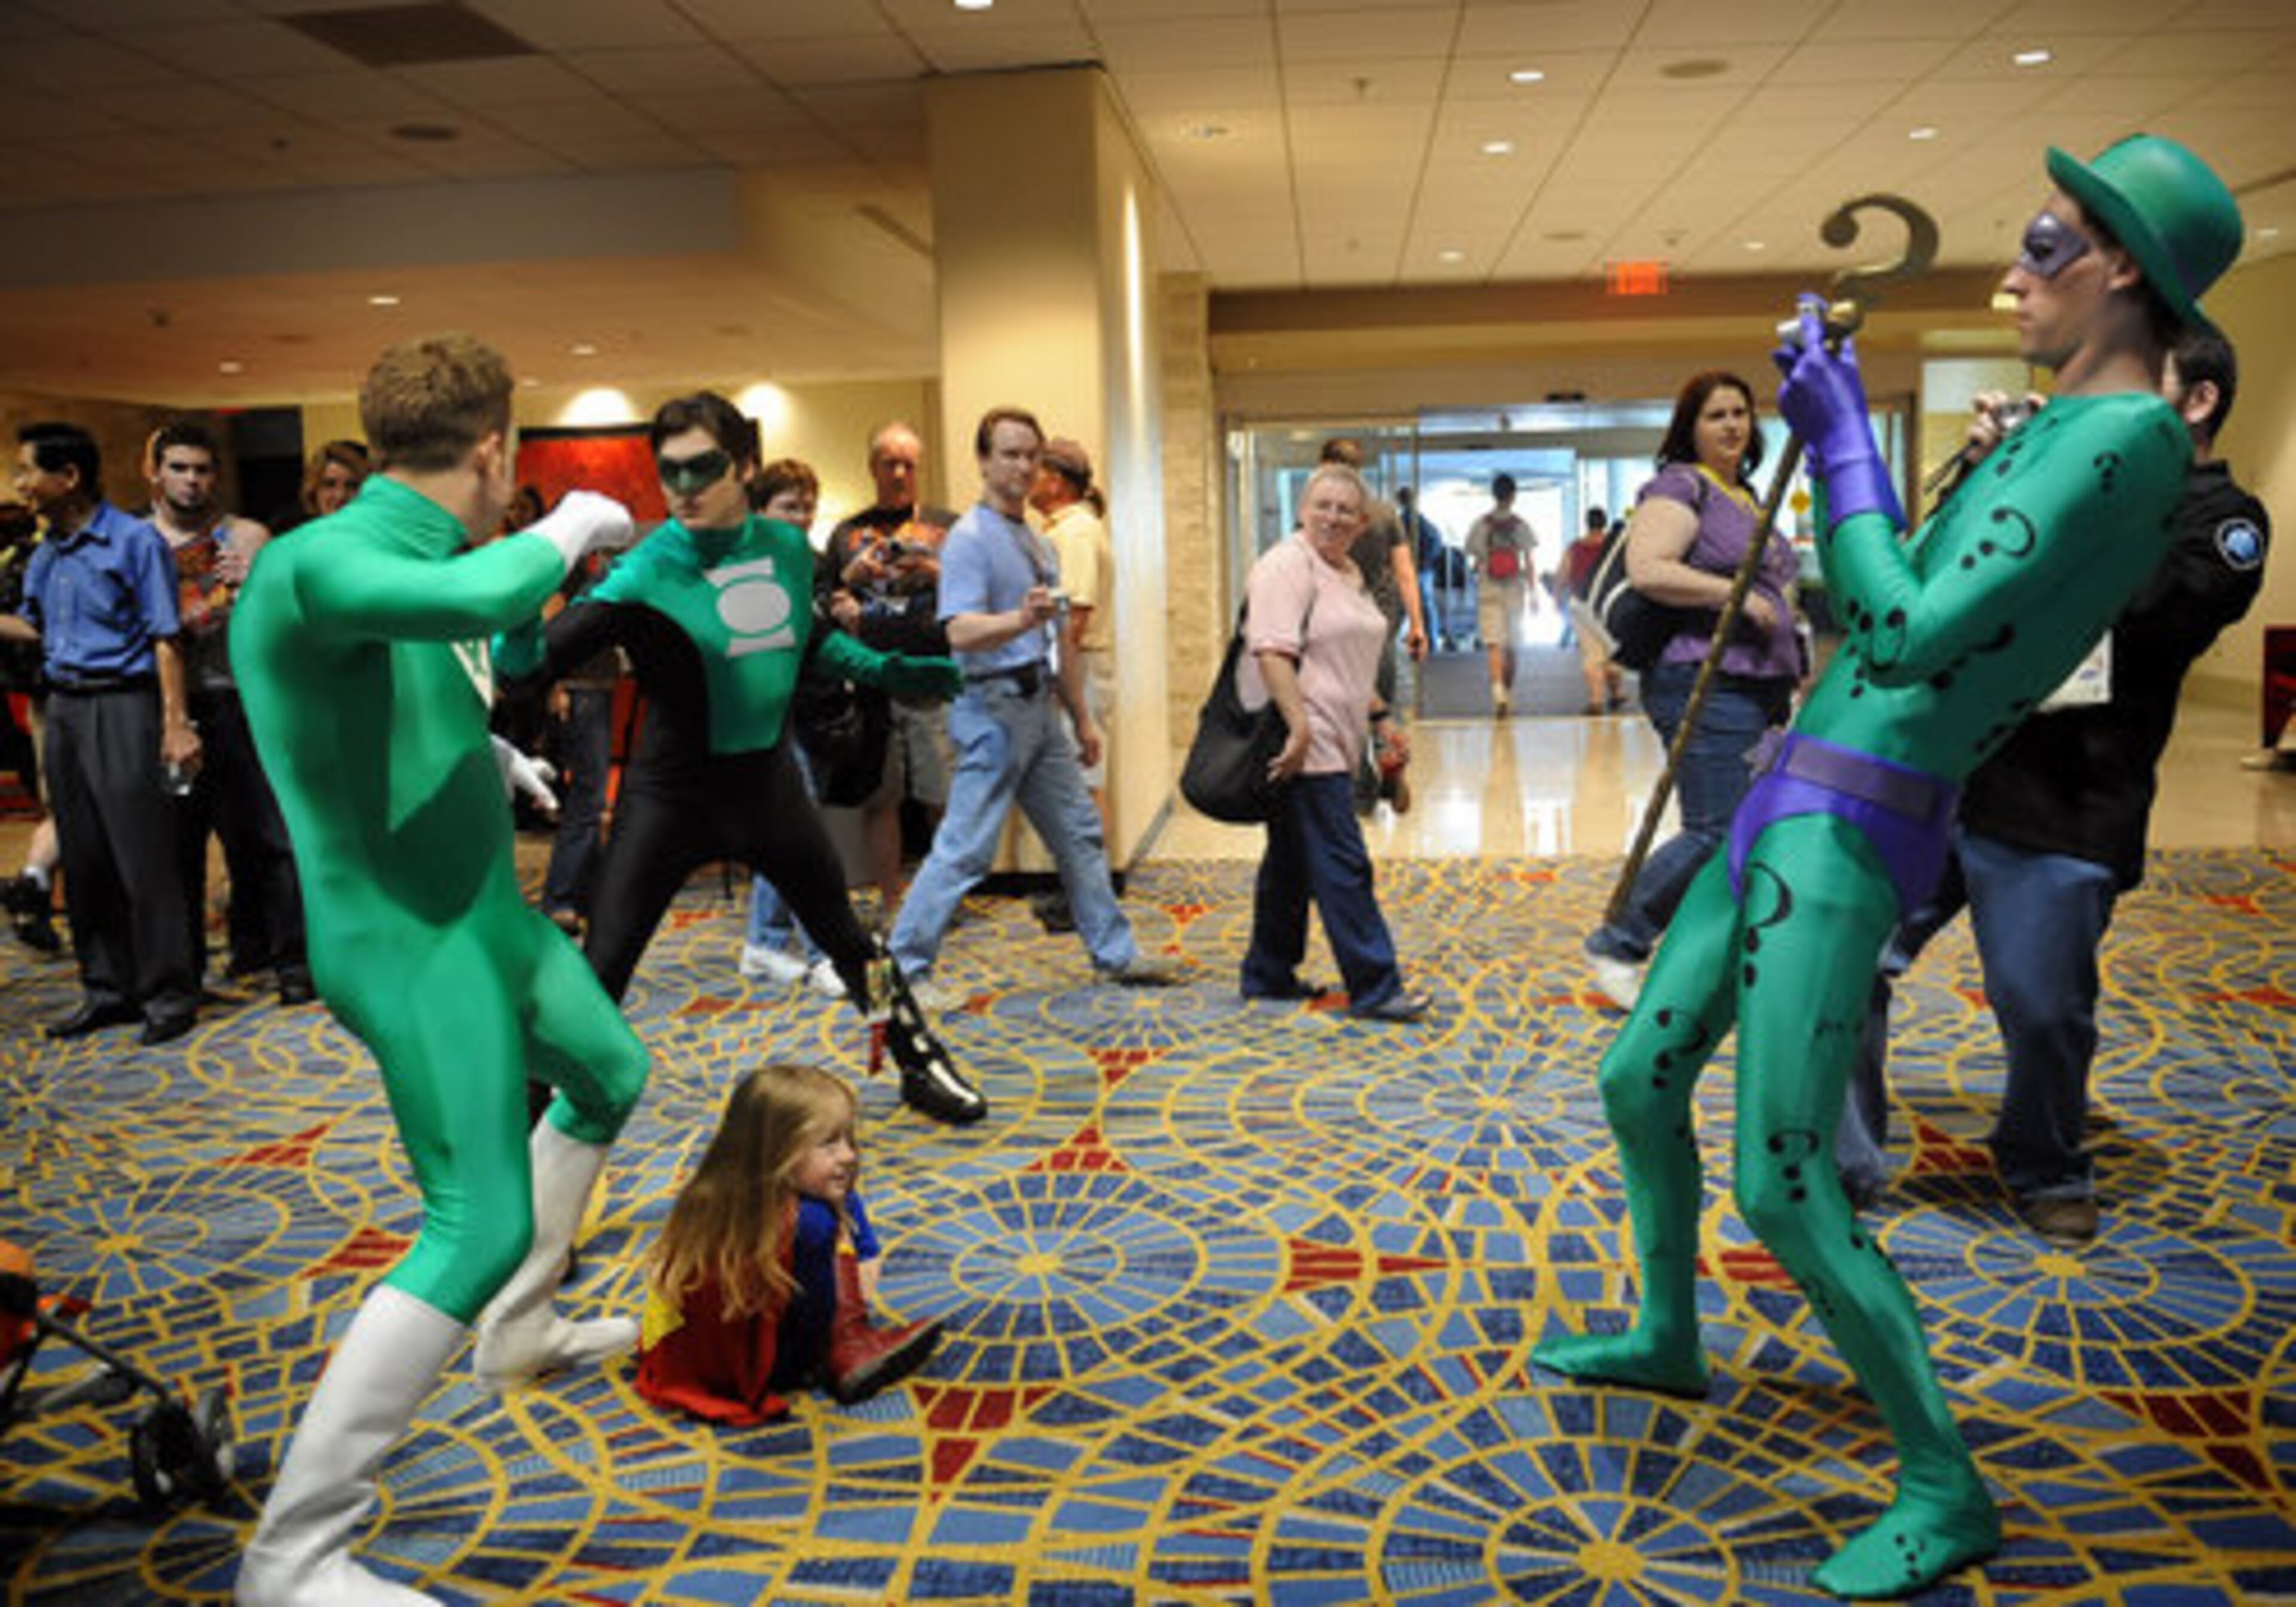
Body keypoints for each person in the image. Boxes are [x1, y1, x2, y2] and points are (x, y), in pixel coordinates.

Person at [1533, 135, 2240, 1600]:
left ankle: (1944, 1480)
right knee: (1632, 1080)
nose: (2012, 273)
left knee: (1781, 1180)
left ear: (2120, 268)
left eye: (2043, 247)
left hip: (1854, 821)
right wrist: (1875, 469)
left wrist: (1844, 434)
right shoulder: (2054, 430)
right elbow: (1878, 603)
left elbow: (1906, 629)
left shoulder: (2130, 443)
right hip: (1791, 790)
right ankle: (1669, 1337)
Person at [228, 333, 649, 1603]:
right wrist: (572, 520)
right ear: (493, 453)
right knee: (475, 1221)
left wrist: (492, 762)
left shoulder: (409, 554)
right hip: (404, 936)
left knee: (610, 1069)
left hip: (478, 906)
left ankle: (518, 1328)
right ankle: (292, 1558)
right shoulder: (319, 561)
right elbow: (470, 608)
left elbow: (419, 681)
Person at [1840, 325, 2268, 1239]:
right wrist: (2000, 479)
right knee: (1844, 955)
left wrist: (2060, 496)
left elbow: (2145, 619)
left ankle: (2044, 1161)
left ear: (2195, 403)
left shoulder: (2222, 520)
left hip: (2067, 798)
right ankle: (1843, 1163)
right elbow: (1937, 583)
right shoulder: (2056, 484)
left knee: (2040, 1008)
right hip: (1947, 769)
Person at [494, 395, 986, 1128]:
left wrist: (889, 671)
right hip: (669, 799)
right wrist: (519, 608)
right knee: (603, 967)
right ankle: (529, 1110)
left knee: (851, 942)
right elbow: (527, 668)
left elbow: (812, 643)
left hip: (765, 787)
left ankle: (917, 1057)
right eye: (670, 473)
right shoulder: (646, 571)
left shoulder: (788, 550)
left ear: (744, 467)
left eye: (705, 467)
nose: (685, 487)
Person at [886, 406, 1176, 1003]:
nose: (1022, 466)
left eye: (1030, 456)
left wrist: (1082, 716)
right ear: (984, 462)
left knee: (1079, 834)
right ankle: (906, 970)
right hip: (990, 709)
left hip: (1037, 707)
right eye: (1010, 454)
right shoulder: (969, 539)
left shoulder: (1039, 541)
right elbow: (959, 632)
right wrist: (1020, 618)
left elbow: (1057, 640)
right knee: (966, 848)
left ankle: (1115, 953)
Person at [1580, 372, 1803, 1010]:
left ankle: (1720, 955)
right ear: (1691, 429)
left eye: (1740, 412)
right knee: (1718, 826)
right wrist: (1737, 598)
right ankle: (1619, 940)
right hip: (1704, 680)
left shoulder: (1746, 494)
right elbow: (1650, 570)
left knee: (1756, 828)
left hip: (1759, 687)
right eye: (1715, 416)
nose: (1732, 425)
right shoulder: (1681, 486)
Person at [1, 422, 201, 1044]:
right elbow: (39, 629)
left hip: (125, 706)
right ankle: (107, 989)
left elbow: (165, 636)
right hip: (63, 709)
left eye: (27, 470)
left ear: (69, 477)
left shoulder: (133, 542)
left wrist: (175, 723)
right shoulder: (46, 553)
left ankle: (169, 994)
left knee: (143, 860)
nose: (19, 484)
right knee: (83, 860)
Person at [635, 1062, 942, 1426]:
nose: (849, 1155)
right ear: (777, 1153)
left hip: (678, 1351)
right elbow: (831, 1297)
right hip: (760, 1366)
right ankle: (848, 1345)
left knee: (836, 1204)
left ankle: (849, 1340)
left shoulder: (719, 1191)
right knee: (821, 1221)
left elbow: (867, 1252)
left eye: (848, 1138)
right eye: (829, 1143)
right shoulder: (802, 1221)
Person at [1238, 462, 1428, 1022]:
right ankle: (1375, 985)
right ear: (1302, 509)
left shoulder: (1344, 572)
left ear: (1363, 523)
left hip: (1335, 738)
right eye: (1323, 505)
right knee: (1344, 862)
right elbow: (1271, 650)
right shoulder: (1286, 566)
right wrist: (1299, 727)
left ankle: (1268, 973)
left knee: (1292, 864)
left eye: (1346, 510)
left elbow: (1344, 658)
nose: (1333, 517)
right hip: (1308, 741)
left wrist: (1379, 719)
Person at [145, 421, 312, 1006]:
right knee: (179, 848)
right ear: (156, 472)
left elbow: (287, 626)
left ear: (216, 474)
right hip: (170, 709)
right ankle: (185, 973)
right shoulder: (139, 542)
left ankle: (292, 961)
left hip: (245, 702)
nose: (191, 481)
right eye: (179, 468)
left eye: (202, 469)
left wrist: (257, 587)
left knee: (273, 839)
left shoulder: (248, 537)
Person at [821, 422, 959, 921]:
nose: (899, 474)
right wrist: (848, 580)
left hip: (930, 678)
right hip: (872, 682)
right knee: (882, 799)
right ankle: (892, 900)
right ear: (872, 468)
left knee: (941, 797)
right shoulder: (846, 534)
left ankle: (942, 899)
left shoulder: (949, 526)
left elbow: (975, 591)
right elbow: (824, 601)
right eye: (889, 463)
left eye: (908, 464)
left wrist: (930, 570)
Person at [738, 457, 848, 997]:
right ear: (761, 511)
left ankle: (763, 942)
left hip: (813, 711)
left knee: (786, 835)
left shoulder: (815, 563)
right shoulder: (749, 565)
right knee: (802, 837)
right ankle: (824, 951)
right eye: (788, 507)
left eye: (807, 507)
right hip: (770, 718)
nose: (801, 518)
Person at [1025, 435, 1116, 933]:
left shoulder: (1076, 533)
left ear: (1055, 480)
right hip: (1074, 670)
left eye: (1033, 467)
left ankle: (1088, 898)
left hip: (1078, 670)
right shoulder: (1064, 529)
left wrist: (1062, 686)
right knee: (1074, 788)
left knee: (1084, 787)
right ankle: (1079, 892)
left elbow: (1074, 619)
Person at [1463, 473, 1533, 714]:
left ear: (1494, 494)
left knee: (1494, 644)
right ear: (1513, 496)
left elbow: (1474, 559)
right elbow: (1529, 561)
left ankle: (1498, 694)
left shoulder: (1480, 525)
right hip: (1515, 589)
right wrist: (1534, 594)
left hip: (1488, 588)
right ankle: (1508, 691)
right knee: (1512, 646)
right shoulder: (1521, 525)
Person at [1562, 506, 1626, 715]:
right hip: (1610, 605)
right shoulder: (1614, 546)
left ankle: (1597, 700)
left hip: (1583, 604)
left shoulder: (1576, 548)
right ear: (1604, 523)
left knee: (1592, 653)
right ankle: (1617, 692)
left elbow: (1563, 573)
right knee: (1611, 649)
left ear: (1587, 523)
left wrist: (1556, 597)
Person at [1397, 485, 1449, 651]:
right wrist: (1427, 563)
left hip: (1413, 569)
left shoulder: (1403, 521)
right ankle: (1431, 642)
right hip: (1424, 570)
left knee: (1406, 606)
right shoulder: (1421, 520)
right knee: (1425, 606)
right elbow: (1436, 542)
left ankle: (1417, 641)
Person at [294, 438, 368, 526]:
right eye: (330, 485)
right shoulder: (300, 537)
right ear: (314, 492)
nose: (340, 495)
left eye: (352, 486)